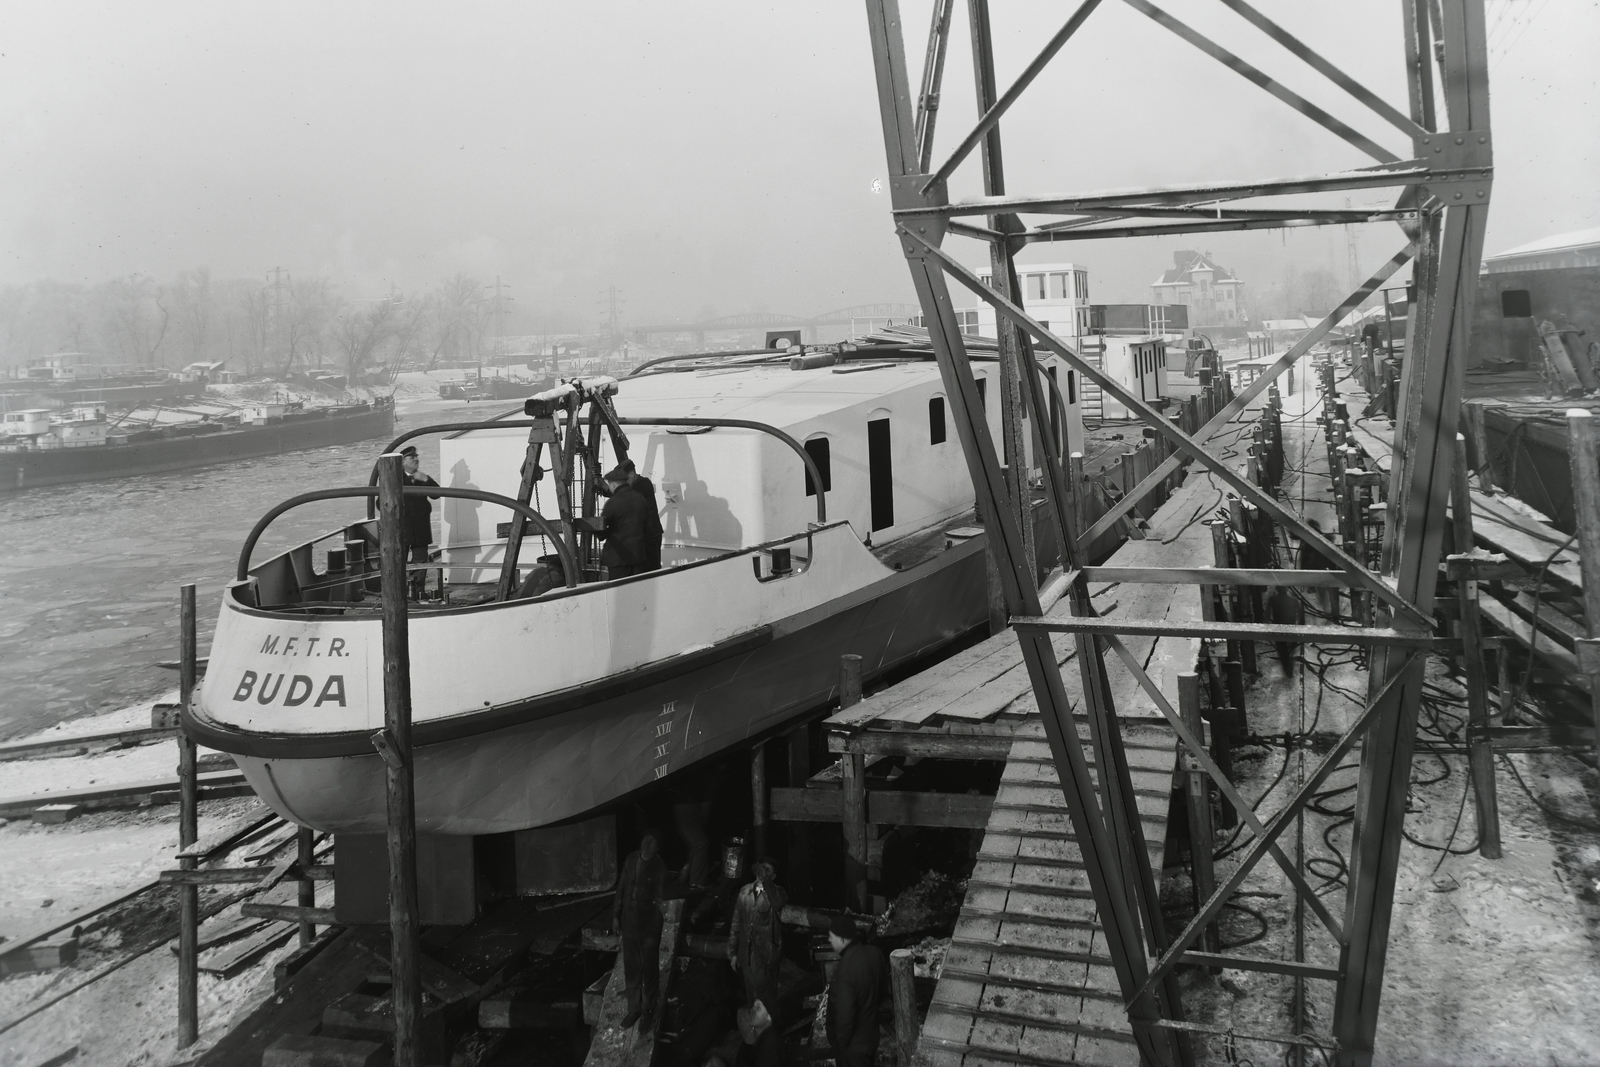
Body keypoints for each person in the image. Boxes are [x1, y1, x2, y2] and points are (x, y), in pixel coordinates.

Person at [616, 832, 667, 1030]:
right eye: (646, 838)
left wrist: (653, 934)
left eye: (652, 841)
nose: (647, 843)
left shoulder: (659, 868)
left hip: (648, 926)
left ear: (657, 848)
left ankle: (648, 1011)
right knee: (632, 968)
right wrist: (615, 915)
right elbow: (621, 888)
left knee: (649, 969)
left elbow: (660, 902)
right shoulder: (631, 859)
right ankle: (634, 1009)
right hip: (629, 922)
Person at [824, 914, 885, 1067]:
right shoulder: (875, 952)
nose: (829, 940)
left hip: (853, 1048)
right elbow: (883, 993)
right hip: (871, 1038)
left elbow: (846, 1016)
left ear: (842, 939)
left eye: (831, 937)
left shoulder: (845, 969)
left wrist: (840, 1046)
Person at [729, 861, 787, 1018]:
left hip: (766, 954)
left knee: (766, 998)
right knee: (751, 998)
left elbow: (777, 903)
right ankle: (756, 1036)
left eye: (769, 870)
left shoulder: (777, 892)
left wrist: (766, 880)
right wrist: (733, 952)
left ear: (774, 875)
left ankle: (770, 1034)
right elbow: (736, 922)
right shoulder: (745, 892)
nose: (764, 872)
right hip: (747, 954)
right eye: (763, 868)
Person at [597, 461, 653, 580]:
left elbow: (602, 530)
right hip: (638, 556)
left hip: (618, 558)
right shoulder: (640, 498)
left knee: (618, 592)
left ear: (613, 484)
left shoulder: (613, 502)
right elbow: (647, 524)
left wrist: (599, 532)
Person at [399, 445, 441, 599]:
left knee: (421, 561)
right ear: (403, 462)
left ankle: (416, 592)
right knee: (398, 560)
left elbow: (437, 494)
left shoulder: (422, 478)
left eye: (417, 456)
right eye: (412, 457)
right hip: (402, 529)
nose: (416, 459)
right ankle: (399, 592)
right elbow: (379, 503)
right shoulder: (395, 478)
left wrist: (426, 479)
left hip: (421, 528)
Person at [1296, 518, 1339, 623]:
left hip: (1321, 571)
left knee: (1324, 594)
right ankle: (1334, 617)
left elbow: (1307, 560)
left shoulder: (1309, 542)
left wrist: (1306, 576)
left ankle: (1330, 615)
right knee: (1331, 596)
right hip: (1328, 572)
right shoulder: (1322, 540)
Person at [630, 467, 665, 572]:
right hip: (646, 536)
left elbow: (625, 494)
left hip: (650, 536)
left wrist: (606, 487)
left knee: (651, 569)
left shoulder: (643, 484)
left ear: (632, 474)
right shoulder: (639, 485)